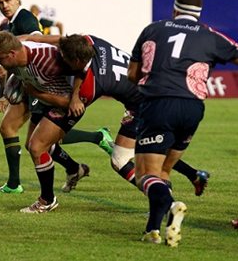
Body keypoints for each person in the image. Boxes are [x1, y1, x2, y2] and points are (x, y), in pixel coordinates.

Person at [18, 33, 210, 197]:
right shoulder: (91, 42)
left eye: (65, 60)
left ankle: (161, 196)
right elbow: (63, 41)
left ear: (76, 61)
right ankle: (194, 174)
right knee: (151, 146)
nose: (61, 62)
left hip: (146, 106)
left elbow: (68, 110)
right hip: (156, 94)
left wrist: (37, 94)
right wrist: (30, 38)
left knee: (121, 159)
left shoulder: (93, 85)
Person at [127, 0, 238, 247]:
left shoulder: (152, 29)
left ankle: (171, 205)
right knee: (165, 168)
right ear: (198, 15)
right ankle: (152, 229)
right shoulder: (210, 35)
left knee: (146, 172)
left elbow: (133, 73)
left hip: (158, 103)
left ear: (174, 11)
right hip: (192, 108)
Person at [0, 0, 113, 195]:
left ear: (18, 0)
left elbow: (39, 49)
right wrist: (7, 90)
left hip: (45, 83)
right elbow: (18, 61)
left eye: (8, 0)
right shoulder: (9, 26)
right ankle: (74, 167)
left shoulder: (25, 20)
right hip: (34, 84)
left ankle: (18, 184)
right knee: (31, 137)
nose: (4, 5)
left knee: (39, 138)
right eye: (0, 2)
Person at [0, 31, 87, 213]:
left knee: (37, 147)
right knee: (32, 145)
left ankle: (47, 200)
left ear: (11, 54)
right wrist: (7, 92)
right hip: (46, 100)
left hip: (66, 105)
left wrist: (75, 98)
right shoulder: (17, 55)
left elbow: (83, 68)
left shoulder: (48, 60)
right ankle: (74, 168)